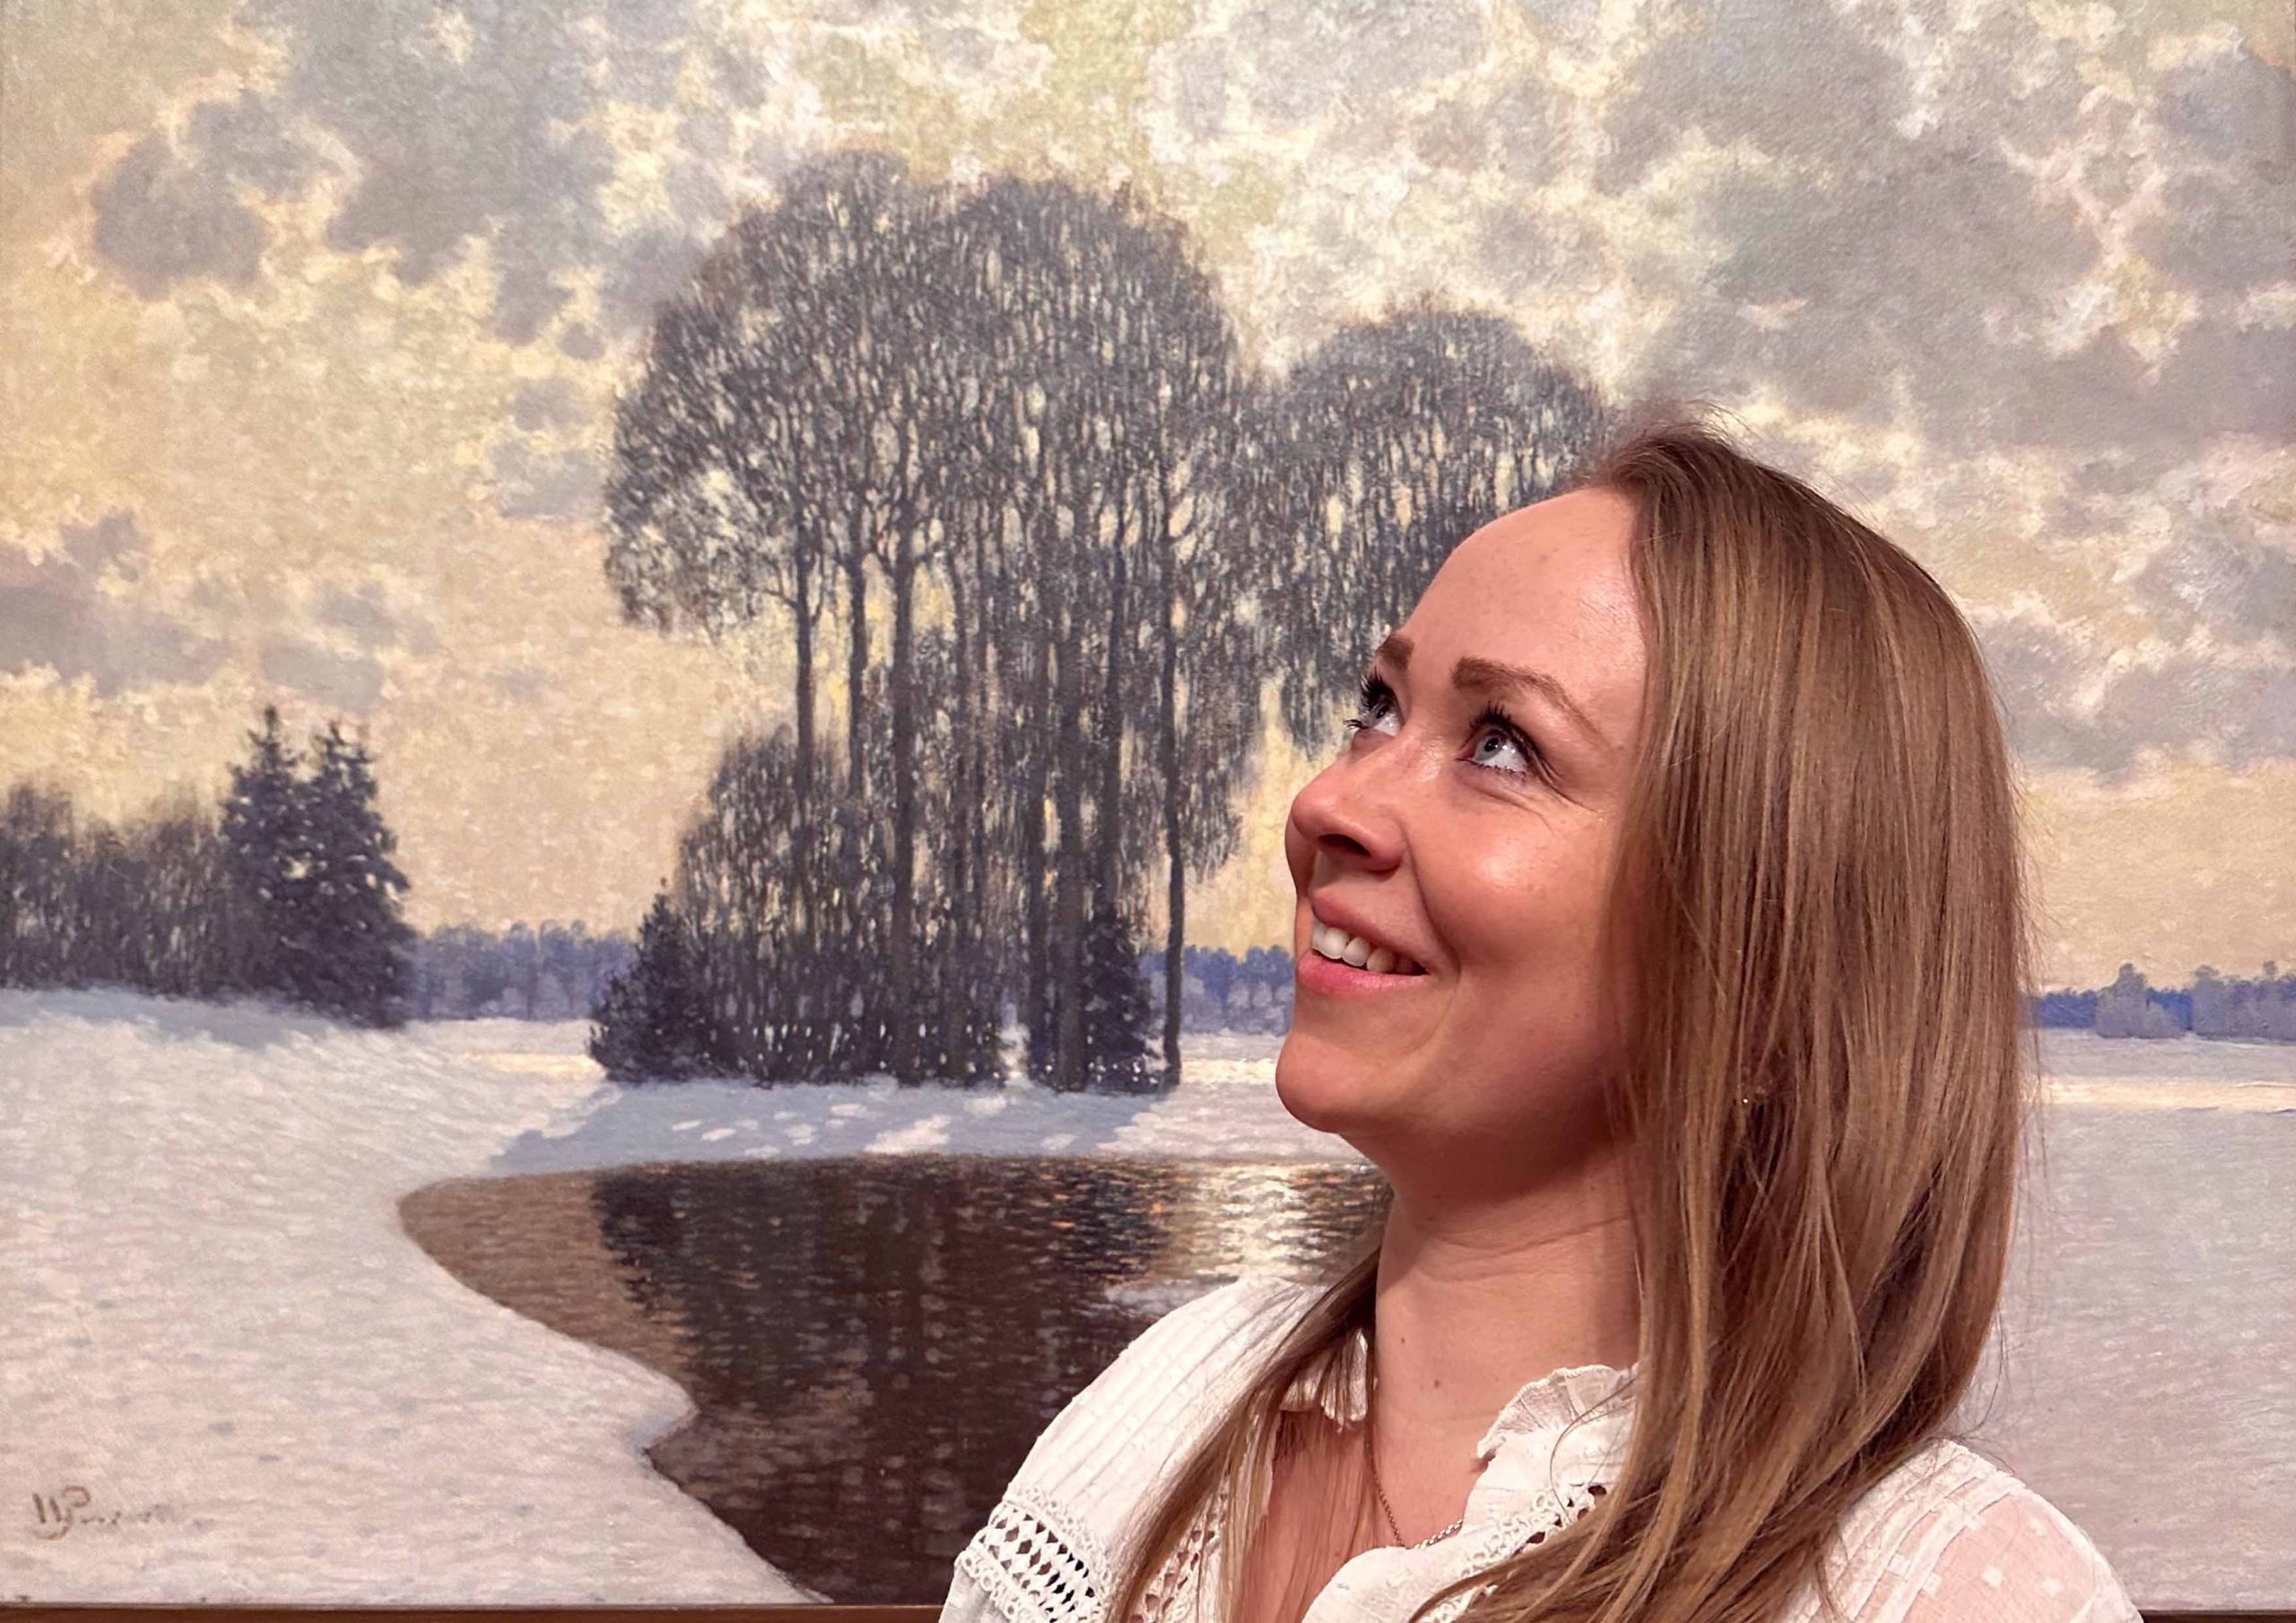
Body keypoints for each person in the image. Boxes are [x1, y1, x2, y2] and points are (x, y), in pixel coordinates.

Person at [939, 405, 2144, 1623]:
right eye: (1378, 706)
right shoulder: (1174, 1404)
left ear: (1770, 975)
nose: (1328, 804)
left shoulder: (1948, 1591)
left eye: (1503, 745)